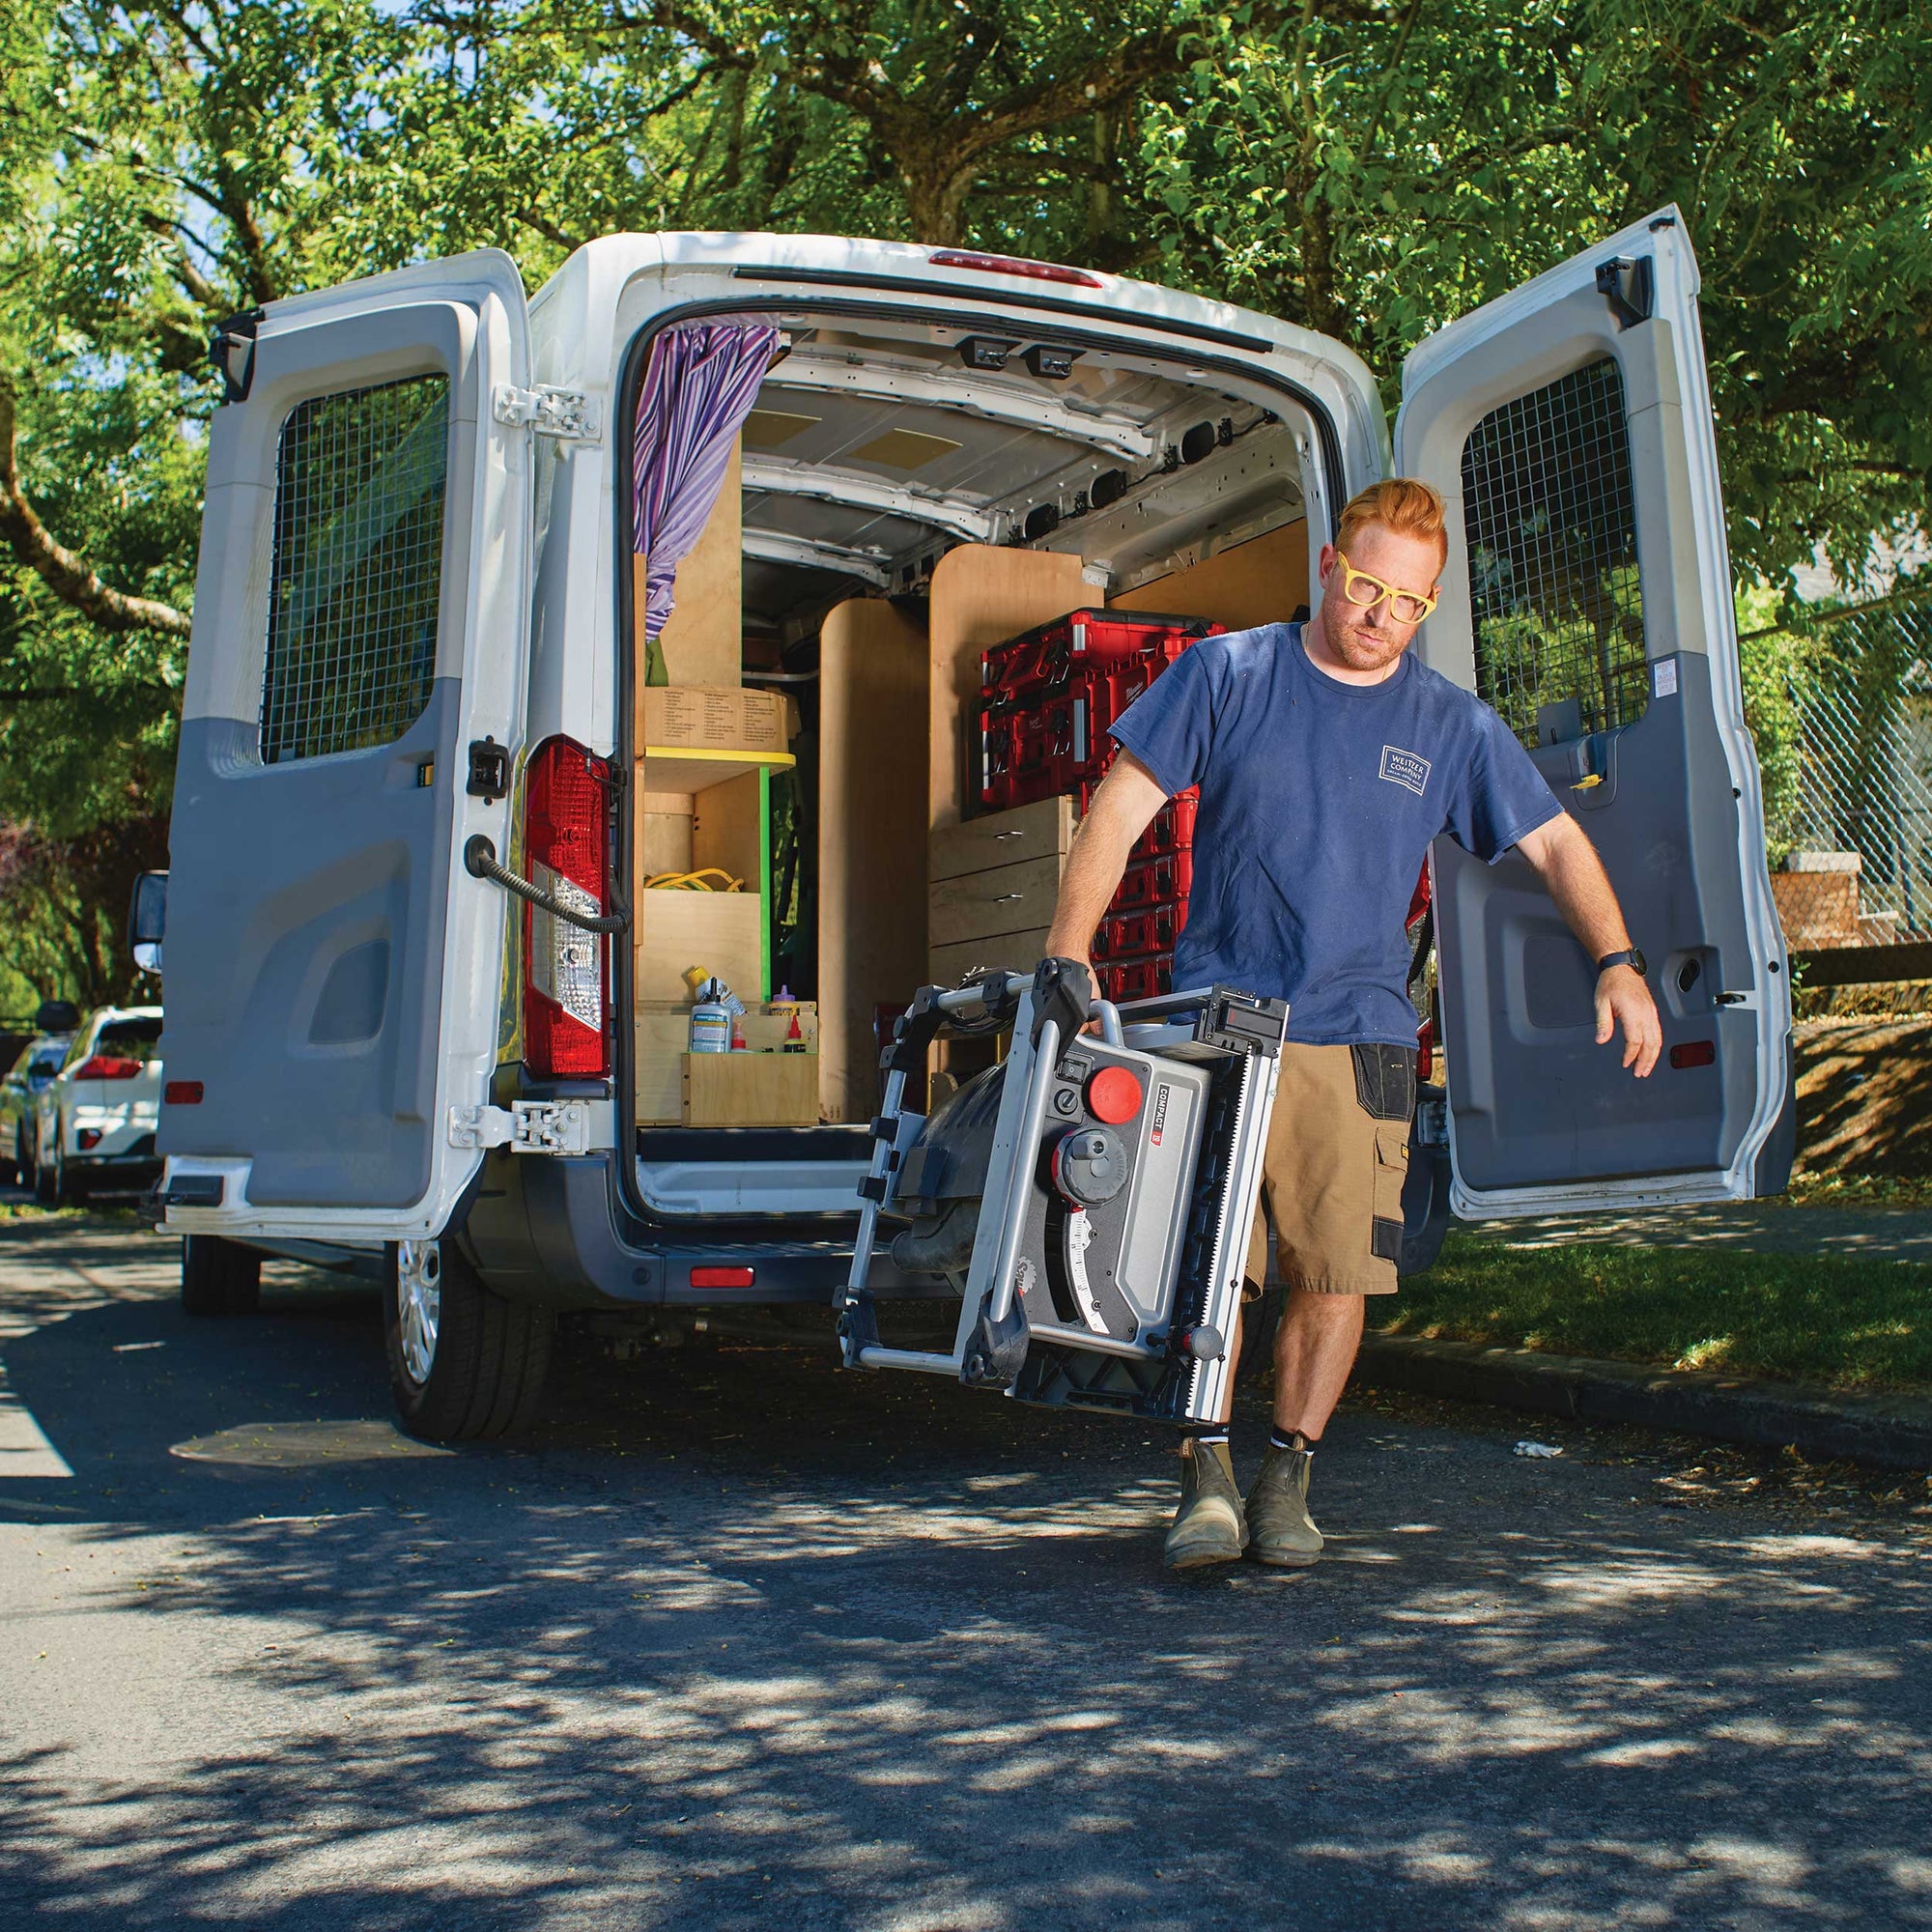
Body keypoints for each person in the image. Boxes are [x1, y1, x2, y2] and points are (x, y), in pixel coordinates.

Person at [1041, 478, 1662, 1572]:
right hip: (1222, 1023)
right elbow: (1122, 802)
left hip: (1361, 1033)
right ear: (1327, 566)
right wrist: (1065, 947)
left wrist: (1615, 960)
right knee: (1207, 1267)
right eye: (1366, 585)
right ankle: (1205, 1475)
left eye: (1406, 601)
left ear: (1426, 608)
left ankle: (1287, 1474)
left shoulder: (1448, 723)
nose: (1379, 614)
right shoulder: (1229, 674)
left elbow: (1558, 843)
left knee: (1332, 1274)